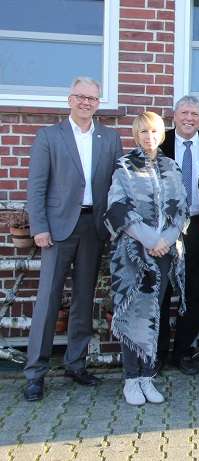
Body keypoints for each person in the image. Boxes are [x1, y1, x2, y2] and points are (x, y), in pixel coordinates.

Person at [24, 77, 123, 402]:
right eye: (80, 96)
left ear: (98, 103)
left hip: (93, 227)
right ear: (69, 99)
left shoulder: (109, 137)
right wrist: (39, 227)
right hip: (56, 229)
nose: (86, 102)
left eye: (92, 98)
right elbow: (36, 186)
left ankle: (76, 364)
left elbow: (117, 185)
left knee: (84, 298)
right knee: (48, 300)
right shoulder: (49, 136)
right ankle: (35, 373)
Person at [105, 112, 188, 406]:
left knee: (154, 313)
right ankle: (131, 378)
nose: (149, 137)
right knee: (133, 313)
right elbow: (117, 208)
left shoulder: (172, 167)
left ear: (161, 134)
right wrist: (151, 240)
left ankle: (147, 377)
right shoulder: (125, 166)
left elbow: (181, 209)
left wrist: (167, 239)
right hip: (133, 255)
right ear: (136, 135)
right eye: (143, 132)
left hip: (165, 253)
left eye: (153, 131)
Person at [156, 96, 199, 375]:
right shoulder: (159, 142)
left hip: (198, 227)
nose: (189, 118)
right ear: (174, 115)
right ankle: (157, 353)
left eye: (195, 114)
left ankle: (184, 352)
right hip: (164, 227)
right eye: (185, 113)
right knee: (162, 291)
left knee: (193, 291)